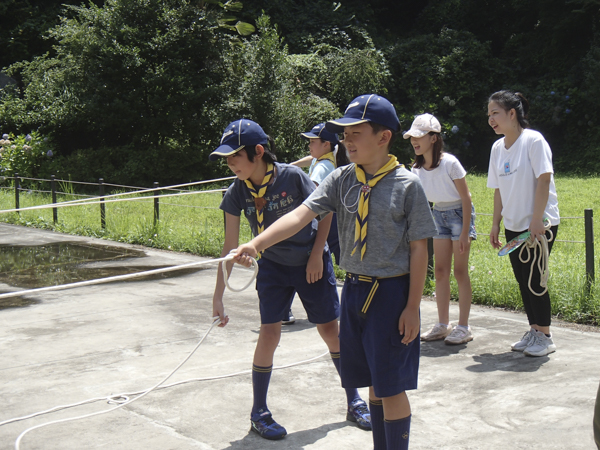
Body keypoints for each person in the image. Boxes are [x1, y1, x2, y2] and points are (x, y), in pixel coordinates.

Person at [232, 95, 438, 450]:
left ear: (384, 137)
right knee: (371, 377)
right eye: (344, 134)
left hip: (391, 294)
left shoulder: (407, 185)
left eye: (356, 133)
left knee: (390, 386)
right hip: (355, 290)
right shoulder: (343, 178)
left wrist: (413, 306)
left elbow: (420, 247)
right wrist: (257, 244)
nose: (347, 141)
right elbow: (300, 215)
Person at [210, 119, 371, 441]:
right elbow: (229, 248)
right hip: (271, 268)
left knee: (330, 331)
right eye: (226, 159)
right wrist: (218, 296)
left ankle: (354, 400)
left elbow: (325, 213)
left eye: (234, 157)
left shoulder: (292, 176)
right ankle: (259, 413)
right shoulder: (236, 191)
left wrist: (316, 256)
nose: (230, 165)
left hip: (309, 263)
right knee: (268, 335)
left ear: (258, 152)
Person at [487, 90, 560, 357]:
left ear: (512, 113)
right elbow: (498, 190)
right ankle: (534, 330)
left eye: (495, 113)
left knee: (534, 281)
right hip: (513, 224)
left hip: (540, 224)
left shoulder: (533, 141)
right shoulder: (497, 148)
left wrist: (537, 219)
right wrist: (496, 224)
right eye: (489, 115)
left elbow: (544, 178)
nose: (491, 119)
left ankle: (546, 336)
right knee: (522, 279)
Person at [403, 114, 477, 345]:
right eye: (412, 137)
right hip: (437, 215)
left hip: (459, 215)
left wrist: (465, 232)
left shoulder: (450, 163)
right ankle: (443, 324)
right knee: (441, 271)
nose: (414, 141)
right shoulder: (417, 168)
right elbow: (420, 201)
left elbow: (466, 198)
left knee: (460, 271)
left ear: (433, 138)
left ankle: (463, 327)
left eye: (419, 136)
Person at [282, 123, 350, 325]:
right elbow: (309, 159)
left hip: (325, 219)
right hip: (333, 218)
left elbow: (315, 199)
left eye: (313, 142)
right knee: (343, 260)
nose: (310, 146)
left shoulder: (322, 168)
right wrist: (289, 167)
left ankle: (286, 311)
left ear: (326, 144)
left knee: (311, 260)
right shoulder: (329, 157)